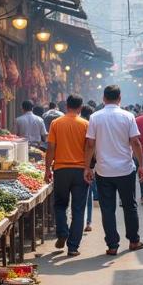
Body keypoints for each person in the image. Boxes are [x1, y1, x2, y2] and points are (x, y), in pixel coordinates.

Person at [84, 85, 143, 256]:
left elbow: (90, 145)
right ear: (120, 98)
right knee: (130, 206)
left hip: (104, 171)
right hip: (126, 169)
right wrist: (141, 165)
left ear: (104, 98)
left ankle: (112, 245)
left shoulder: (95, 117)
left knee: (107, 209)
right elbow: (135, 142)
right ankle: (134, 241)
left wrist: (87, 167)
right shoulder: (128, 116)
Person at [45, 95, 89, 257]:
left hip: (61, 170)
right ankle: (73, 247)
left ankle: (62, 232)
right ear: (80, 107)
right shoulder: (85, 124)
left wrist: (47, 169)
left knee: (60, 205)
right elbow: (89, 147)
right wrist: (89, 168)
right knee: (78, 209)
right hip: (80, 171)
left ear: (66, 106)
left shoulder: (56, 123)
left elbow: (50, 148)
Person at [80, 105, 97, 232]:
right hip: (90, 166)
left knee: (76, 196)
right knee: (89, 194)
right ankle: (88, 222)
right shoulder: (91, 126)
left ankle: (77, 221)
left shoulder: (78, 124)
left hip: (76, 165)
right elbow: (92, 147)